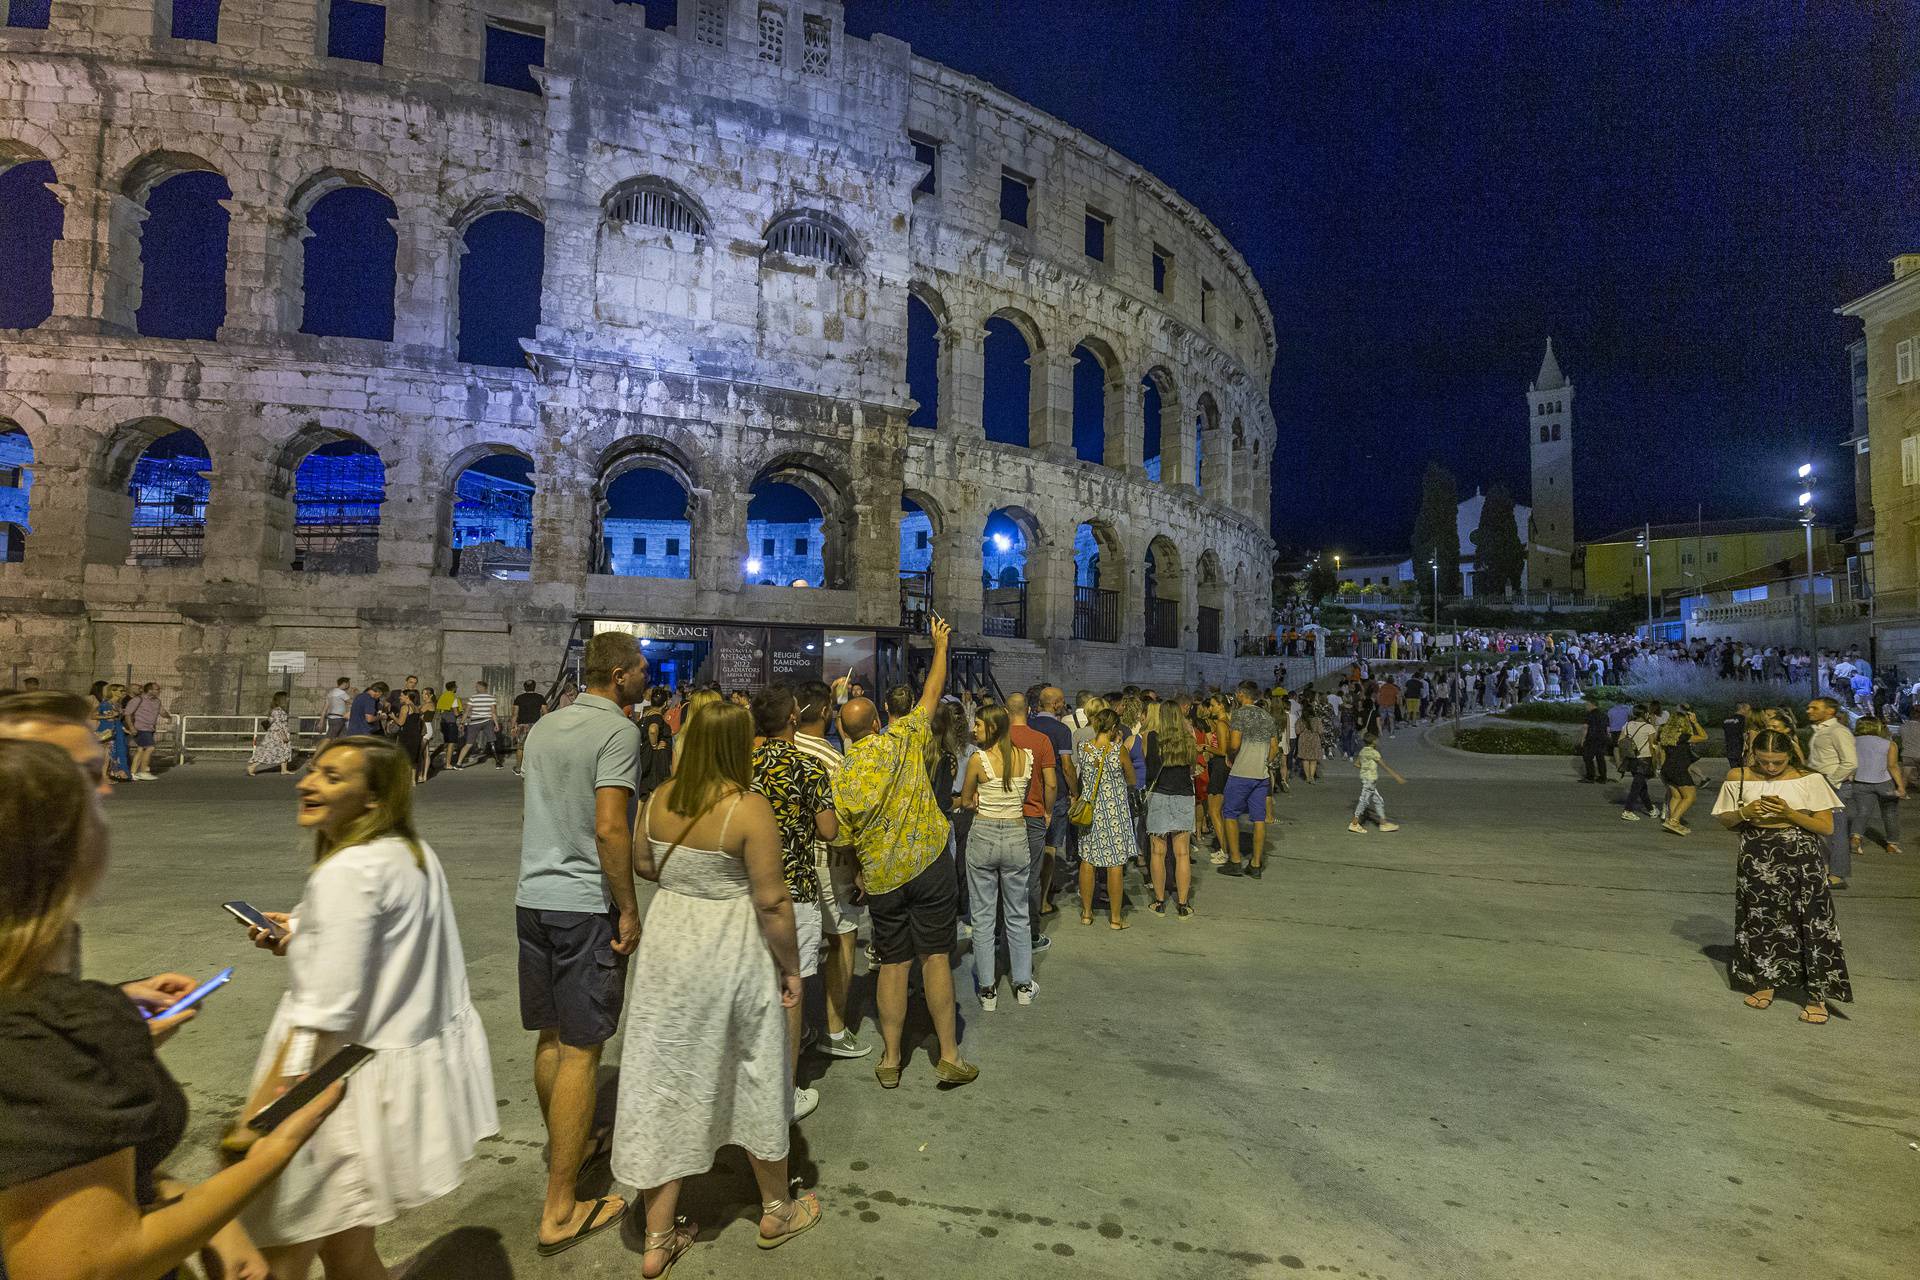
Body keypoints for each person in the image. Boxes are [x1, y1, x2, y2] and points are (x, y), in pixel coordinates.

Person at [0, 738, 343, 1280]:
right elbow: (86, 1266)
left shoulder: (42, 1009)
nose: (108, 794)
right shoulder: (57, 1022)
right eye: (93, 796)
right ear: (71, 847)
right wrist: (270, 1157)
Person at [229, 736, 497, 1278]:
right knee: (345, 1250)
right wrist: (303, 932)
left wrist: (254, 1121)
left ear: (373, 799)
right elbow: (379, 942)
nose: (307, 783)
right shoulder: (409, 854)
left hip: (323, 1094)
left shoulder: (345, 873)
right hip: (368, 1084)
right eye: (312, 770)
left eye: (332, 777)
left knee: (279, 1256)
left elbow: (322, 1011)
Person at [616, 702, 820, 1275]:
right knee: (756, 1068)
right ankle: (777, 1208)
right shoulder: (749, 807)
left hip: (670, 949)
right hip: (732, 947)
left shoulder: (659, 799)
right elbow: (773, 901)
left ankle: (658, 1237)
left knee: (666, 1075)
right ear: (740, 744)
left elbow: (646, 866)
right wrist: (789, 967)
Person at [515, 631, 646, 1255]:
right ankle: (561, 1207)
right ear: (619, 675)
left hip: (532, 896)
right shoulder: (619, 732)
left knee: (550, 1036)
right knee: (583, 1048)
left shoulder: (545, 726)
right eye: (641, 668)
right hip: (583, 906)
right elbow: (609, 827)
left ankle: (572, 1144)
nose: (646, 676)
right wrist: (626, 907)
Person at [832, 614, 977, 1089]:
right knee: (936, 956)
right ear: (878, 721)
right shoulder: (902, 739)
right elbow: (933, 693)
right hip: (930, 864)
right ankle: (949, 1056)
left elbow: (844, 839)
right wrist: (940, 647)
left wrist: (858, 874)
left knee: (893, 963)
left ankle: (892, 1058)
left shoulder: (845, 775)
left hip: (883, 878)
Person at [1711, 728, 1852, 1024]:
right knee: (1761, 919)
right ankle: (1765, 982)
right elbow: (1726, 820)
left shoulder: (1809, 779)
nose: (1771, 768)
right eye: (1764, 761)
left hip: (1800, 856)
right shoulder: (1737, 777)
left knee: (1811, 921)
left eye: (1778, 762)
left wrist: (1789, 814)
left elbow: (1826, 827)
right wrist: (1746, 812)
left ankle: (1816, 996)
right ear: (1754, 755)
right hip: (1756, 855)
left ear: (1791, 754)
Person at [749, 685, 837, 1121]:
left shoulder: (740, 766)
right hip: (795, 889)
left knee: (752, 990)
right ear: (791, 721)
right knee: (790, 993)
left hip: (747, 891)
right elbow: (828, 830)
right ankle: (784, 1093)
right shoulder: (808, 768)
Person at [791, 680, 870, 1058]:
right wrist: (858, 869)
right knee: (842, 938)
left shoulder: (783, 746)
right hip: (829, 862)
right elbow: (842, 822)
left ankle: (797, 1027)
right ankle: (835, 1030)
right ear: (826, 712)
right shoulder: (831, 759)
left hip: (790, 861)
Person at [957, 705, 1036, 1008]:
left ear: (992, 727)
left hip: (985, 835)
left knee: (984, 914)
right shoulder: (1025, 757)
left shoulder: (978, 760)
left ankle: (988, 988)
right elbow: (1024, 795)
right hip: (1016, 834)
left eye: (978, 724)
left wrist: (976, 800)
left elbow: (965, 800)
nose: (974, 729)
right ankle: (1023, 984)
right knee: (1017, 914)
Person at [1004, 692, 1058, 949]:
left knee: (1004, 875)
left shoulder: (999, 739)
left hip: (1004, 814)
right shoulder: (1041, 740)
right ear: (1028, 711)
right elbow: (1051, 783)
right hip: (1034, 814)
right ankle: (1031, 934)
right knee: (1031, 877)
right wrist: (1047, 811)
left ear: (1006, 711)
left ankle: (1001, 933)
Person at [1073, 708, 1135, 928]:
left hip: (1090, 809)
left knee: (1087, 861)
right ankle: (1116, 919)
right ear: (1115, 727)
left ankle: (1087, 913)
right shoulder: (1119, 750)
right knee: (1115, 864)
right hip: (1114, 810)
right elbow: (1131, 778)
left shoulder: (1084, 748)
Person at [1143, 700, 1196, 917]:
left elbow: (1149, 768)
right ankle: (1183, 904)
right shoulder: (1189, 740)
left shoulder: (1152, 738)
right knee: (1182, 852)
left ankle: (1159, 901)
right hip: (1184, 795)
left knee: (1158, 851)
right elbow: (1192, 769)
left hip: (1159, 796)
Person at [1218, 681, 1276, 878]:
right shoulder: (1267, 716)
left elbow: (1234, 744)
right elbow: (1274, 749)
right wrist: (1263, 761)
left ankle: (1235, 860)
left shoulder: (1240, 714)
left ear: (1242, 695)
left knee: (1230, 813)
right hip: (1261, 775)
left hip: (1241, 772)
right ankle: (1256, 863)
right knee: (1259, 819)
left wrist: (1230, 755)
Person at [1806, 697, 1857, 889]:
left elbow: (1850, 762)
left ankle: (1837, 875)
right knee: (1819, 829)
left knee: (1836, 832)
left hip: (1833, 786)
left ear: (1829, 711)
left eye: (1814, 708)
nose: (1808, 711)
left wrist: (1832, 782)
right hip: (1819, 784)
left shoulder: (1838, 731)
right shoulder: (1822, 731)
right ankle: (1825, 868)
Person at [1847, 717, 1904, 857]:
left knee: (1863, 812)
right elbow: (1892, 766)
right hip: (1884, 782)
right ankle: (1892, 844)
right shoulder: (1889, 744)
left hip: (1860, 782)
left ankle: (1856, 838)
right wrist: (1901, 786)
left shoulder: (1851, 742)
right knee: (1890, 813)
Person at [1657, 708, 1709, 836]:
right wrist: (1695, 722)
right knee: (1690, 796)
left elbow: (1661, 753)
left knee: (1676, 796)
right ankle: (1674, 820)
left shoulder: (1665, 736)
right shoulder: (1683, 737)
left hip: (1667, 769)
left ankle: (1672, 820)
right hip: (1679, 769)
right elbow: (1704, 737)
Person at [1347, 730, 1404, 833]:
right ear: (1373, 742)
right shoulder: (1374, 753)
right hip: (1370, 781)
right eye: (1376, 740)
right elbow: (1384, 766)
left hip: (1367, 780)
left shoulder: (1363, 751)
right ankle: (1354, 824)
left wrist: (1365, 768)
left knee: (1379, 801)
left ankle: (1383, 823)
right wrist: (1396, 776)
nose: (1378, 741)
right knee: (1363, 802)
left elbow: (1356, 764)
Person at [1615, 705, 1658, 821]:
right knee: (1636, 786)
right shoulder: (1649, 727)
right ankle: (1628, 810)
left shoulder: (1627, 725)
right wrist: (1655, 762)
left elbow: (1620, 741)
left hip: (1632, 758)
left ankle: (1651, 809)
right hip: (1644, 759)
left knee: (1641, 786)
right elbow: (1652, 746)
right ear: (1645, 714)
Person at [634, 686, 674, 801]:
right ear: (665, 703)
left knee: (643, 797)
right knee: (655, 795)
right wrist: (654, 745)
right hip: (655, 762)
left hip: (644, 758)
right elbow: (653, 730)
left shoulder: (646, 714)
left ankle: (639, 819)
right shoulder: (657, 717)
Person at [123, 681, 166, 781]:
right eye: (157, 689)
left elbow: (162, 711)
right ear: (150, 690)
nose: (159, 691)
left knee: (141, 750)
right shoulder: (138, 699)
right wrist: (131, 727)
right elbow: (128, 714)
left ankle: (133, 773)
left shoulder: (157, 701)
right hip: (140, 728)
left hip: (150, 728)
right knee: (150, 748)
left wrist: (168, 716)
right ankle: (143, 772)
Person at [247, 690, 296, 776]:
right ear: (282, 700)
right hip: (278, 735)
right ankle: (252, 766)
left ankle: (284, 769)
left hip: (277, 734)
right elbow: (278, 725)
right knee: (269, 751)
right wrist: (283, 735)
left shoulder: (277, 710)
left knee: (284, 751)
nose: (288, 699)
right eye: (286, 698)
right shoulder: (278, 711)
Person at [456, 680, 501, 769]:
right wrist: (496, 724)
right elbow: (493, 712)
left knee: (468, 743)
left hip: (475, 722)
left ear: (481, 687)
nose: (476, 688)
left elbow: (466, 711)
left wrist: (462, 723)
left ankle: (458, 764)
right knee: (492, 742)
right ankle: (498, 763)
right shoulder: (491, 698)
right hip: (487, 721)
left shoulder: (473, 698)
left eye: (477, 686)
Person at [95, 680, 132, 782]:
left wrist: (125, 729)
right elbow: (93, 715)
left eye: (124, 690)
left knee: (116, 753)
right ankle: (104, 776)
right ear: (113, 692)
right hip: (107, 731)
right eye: (121, 690)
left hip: (117, 731)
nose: (124, 692)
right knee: (108, 754)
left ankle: (112, 774)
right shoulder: (105, 704)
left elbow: (117, 719)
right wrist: (108, 715)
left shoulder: (117, 705)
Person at [393, 688, 429, 783]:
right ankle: (413, 780)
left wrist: (393, 717)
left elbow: (401, 723)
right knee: (413, 758)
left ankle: (403, 779)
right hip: (415, 735)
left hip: (406, 735)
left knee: (403, 757)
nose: (400, 697)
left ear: (407, 697)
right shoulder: (417, 708)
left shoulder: (405, 707)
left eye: (402, 695)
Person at [512, 679, 546, 776]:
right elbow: (545, 712)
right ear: (534, 687)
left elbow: (515, 714)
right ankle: (538, 769)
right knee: (537, 747)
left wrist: (512, 727)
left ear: (524, 687)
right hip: (536, 725)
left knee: (520, 748)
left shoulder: (519, 698)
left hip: (522, 725)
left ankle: (518, 768)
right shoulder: (540, 697)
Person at [1579, 696, 1612, 784]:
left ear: (1591, 705)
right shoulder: (1604, 714)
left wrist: (1582, 740)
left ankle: (1590, 776)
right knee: (1600, 758)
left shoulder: (1589, 715)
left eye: (1587, 705)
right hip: (1602, 739)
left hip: (1591, 738)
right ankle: (1603, 777)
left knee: (1588, 758)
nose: (1586, 706)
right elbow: (1608, 729)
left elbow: (1585, 728)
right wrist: (1608, 737)